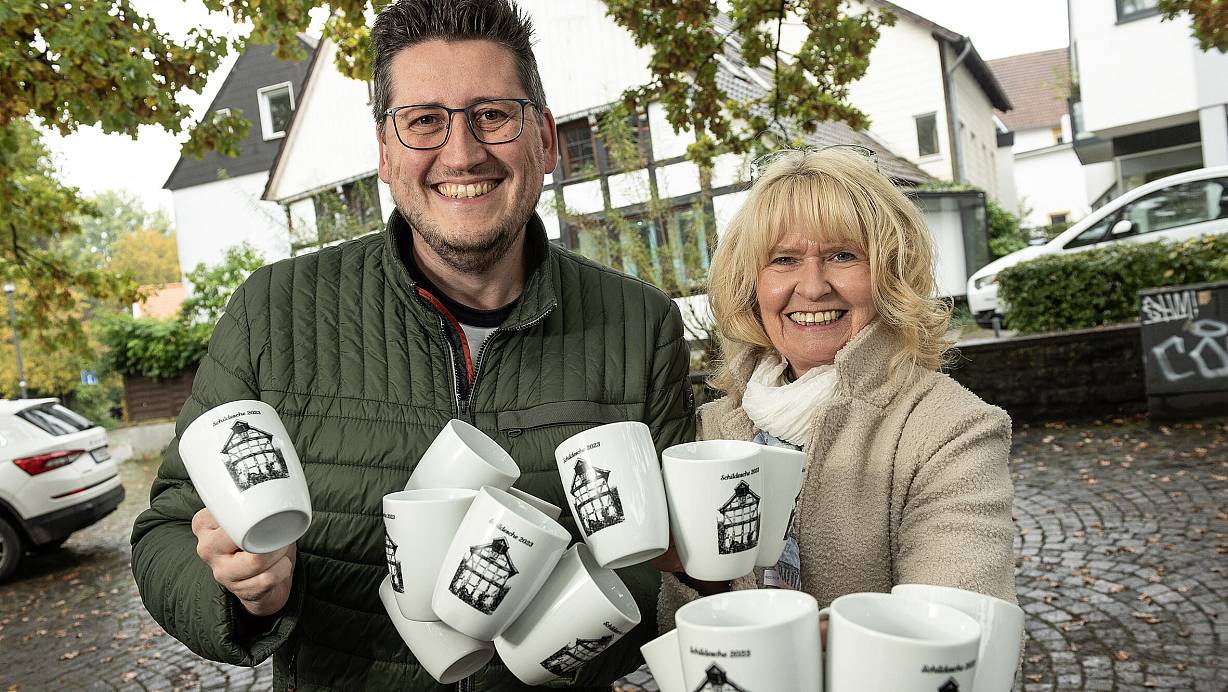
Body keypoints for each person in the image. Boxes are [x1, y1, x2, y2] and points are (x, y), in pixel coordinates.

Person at [130, 1, 695, 689]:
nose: (461, 153)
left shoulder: (640, 324)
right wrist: (239, 592)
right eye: (424, 120)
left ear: (543, 138)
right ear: (385, 153)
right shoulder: (274, 312)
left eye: (493, 114)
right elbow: (165, 531)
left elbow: (664, 559)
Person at [656, 146, 1016, 632]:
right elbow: (680, 633)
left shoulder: (951, 429)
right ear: (751, 284)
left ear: (891, 274)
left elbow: (953, 632)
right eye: (783, 260)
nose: (812, 286)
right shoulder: (716, 427)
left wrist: (808, 648)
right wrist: (693, 573)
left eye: (842, 256)